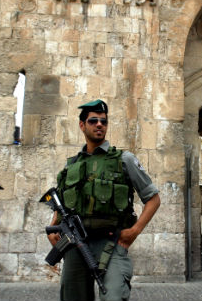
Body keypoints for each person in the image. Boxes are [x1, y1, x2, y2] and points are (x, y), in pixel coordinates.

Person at [47, 99, 161, 301]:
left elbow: (153, 199)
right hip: (75, 244)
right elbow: (61, 202)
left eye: (103, 121)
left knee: (114, 296)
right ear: (82, 125)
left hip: (111, 241)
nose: (99, 125)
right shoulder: (70, 166)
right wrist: (53, 226)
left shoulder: (123, 160)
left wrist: (133, 232)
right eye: (93, 121)